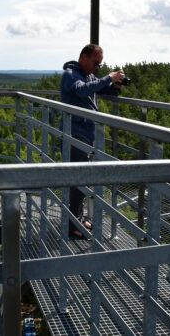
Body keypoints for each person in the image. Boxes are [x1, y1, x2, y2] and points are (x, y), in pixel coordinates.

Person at [60, 44, 125, 239]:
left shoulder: (88, 76)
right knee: (79, 180)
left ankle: (76, 218)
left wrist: (116, 85)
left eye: (100, 64)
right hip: (75, 133)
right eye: (96, 62)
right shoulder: (71, 74)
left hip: (85, 135)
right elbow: (82, 91)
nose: (97, 67)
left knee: (81, 179)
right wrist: (107, 77)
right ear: (83, 58)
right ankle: (72, 225)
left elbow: (102, 89)